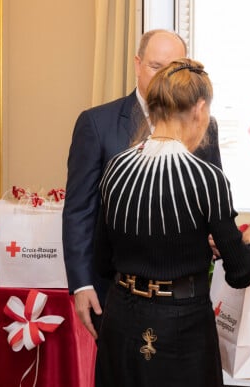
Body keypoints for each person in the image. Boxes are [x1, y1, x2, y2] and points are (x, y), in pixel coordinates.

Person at [93, 58, 250, 387]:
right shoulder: (206, 178)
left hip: (121, 318)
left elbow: (102, 260)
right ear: (200, 108)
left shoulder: (116, 167)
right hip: (180, 323)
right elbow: (240, 272)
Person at [62, 29, 222, 339]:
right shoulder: (97, 124)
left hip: (185, 297)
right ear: (137, 64)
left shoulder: (204, 126)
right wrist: (81, 284)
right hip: (118, 289)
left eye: (174, 69)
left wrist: (215, 234)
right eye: (155, 67)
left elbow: (209, 200)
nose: (165, 78)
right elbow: (79, 210)